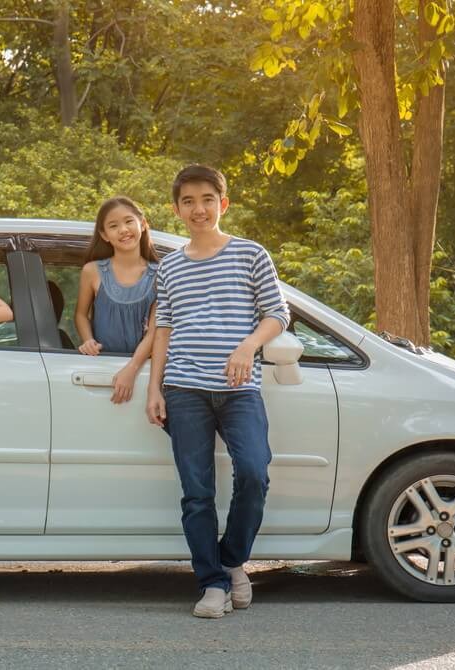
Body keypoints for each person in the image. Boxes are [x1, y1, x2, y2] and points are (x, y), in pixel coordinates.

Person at [145, 165, 290, 619]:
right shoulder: (169, 266)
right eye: (187, 201)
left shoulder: (250, 255)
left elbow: (278, 314)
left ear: (222, 204)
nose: (198, 208)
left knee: (254, 473)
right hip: (184, 389)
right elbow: (162, 331)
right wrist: (155, 388)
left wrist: (248, 345)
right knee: (197, 492)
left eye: (207, 199)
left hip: (238, 389)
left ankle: (231, 560)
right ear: (176, 209)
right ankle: (211, 583)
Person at [74, 196, 160, 404]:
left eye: (129, 221)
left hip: (142, 369)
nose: (123, 229)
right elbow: (80, 315)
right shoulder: (92, 271)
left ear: (143, 223)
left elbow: (156, 332)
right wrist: (87, 340)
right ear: (104, 235)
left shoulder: (160, 275)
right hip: (99, 368)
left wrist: (132, 369)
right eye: (114, 226)